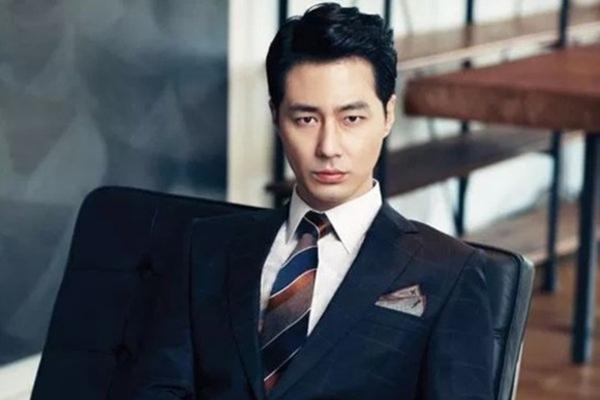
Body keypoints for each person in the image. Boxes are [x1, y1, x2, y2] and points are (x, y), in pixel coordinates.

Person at [133, 3, 494, 399]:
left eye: (351, 119)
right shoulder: (205, 247)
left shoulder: (450, 272)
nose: (328, 147)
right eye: (306, 119)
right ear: (276, 117)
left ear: (388, 115)